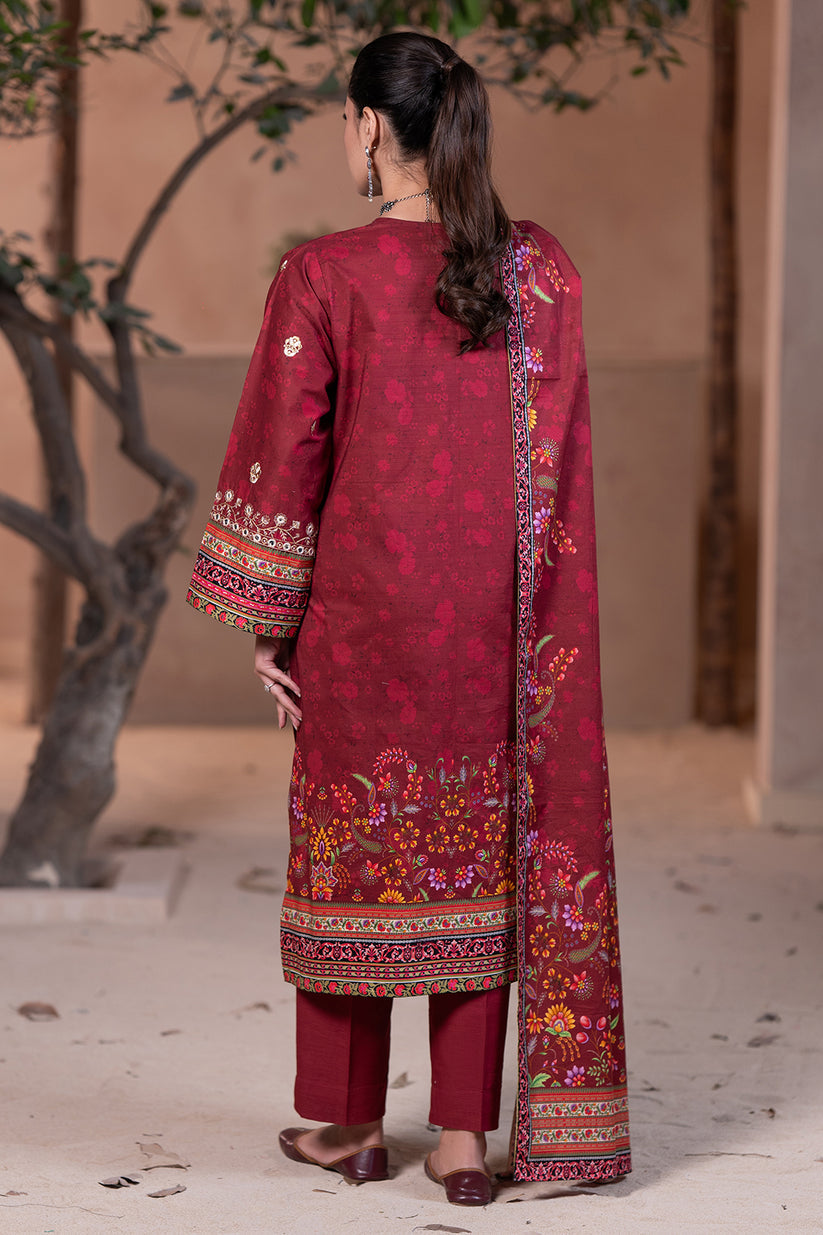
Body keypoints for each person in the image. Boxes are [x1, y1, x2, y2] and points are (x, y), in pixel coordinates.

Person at [186, 31, 629, 1207]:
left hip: (364, 625)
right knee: (483, 858)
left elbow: (287, 457)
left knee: (354, 858)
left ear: (369, 126)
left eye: (345, 121)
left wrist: (265, 630)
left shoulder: (322, 274)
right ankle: (466, 1141)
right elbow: (558, 468)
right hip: (498, 632)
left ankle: (345, 1125)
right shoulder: (539, 272)